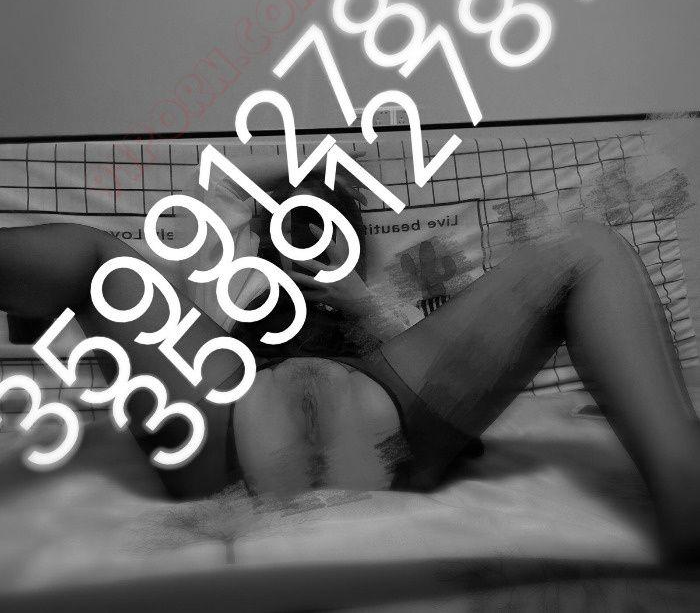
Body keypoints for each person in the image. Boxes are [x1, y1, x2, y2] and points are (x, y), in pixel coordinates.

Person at [1, 164, 700, 565]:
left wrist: (362, 303)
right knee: (101, 261)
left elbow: (464, 405)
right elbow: (168, 342)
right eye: (290, 237)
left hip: (376, 403)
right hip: (234, 409)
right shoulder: (232, 307)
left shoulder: (385, 315)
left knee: (588, 250)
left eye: (326, 236)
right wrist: (249, 278)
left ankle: (689, 499)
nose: (306, 252)